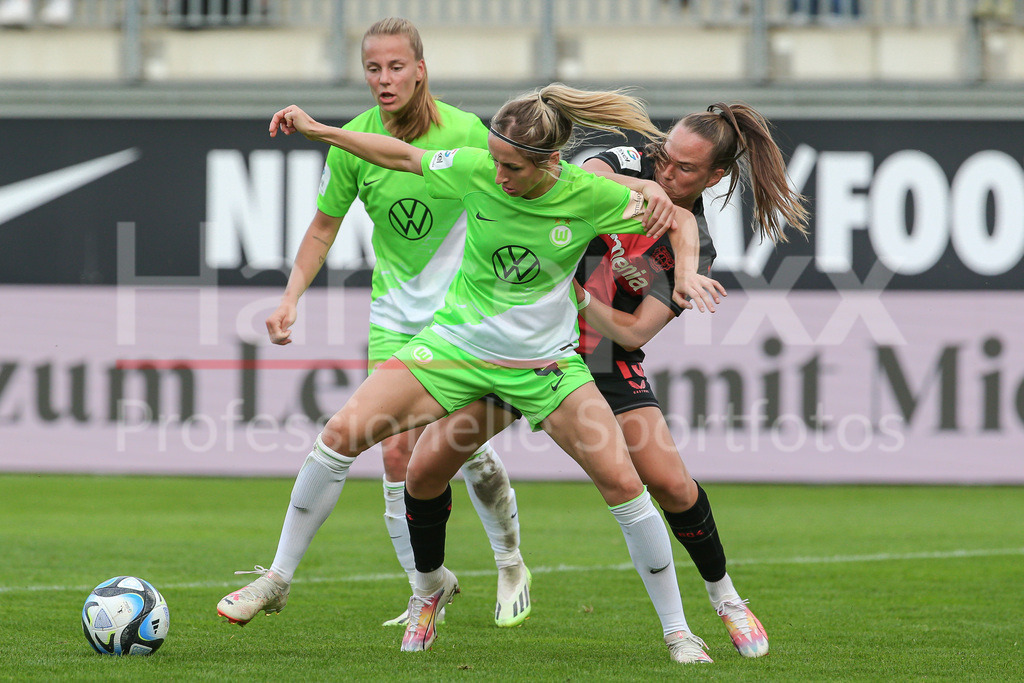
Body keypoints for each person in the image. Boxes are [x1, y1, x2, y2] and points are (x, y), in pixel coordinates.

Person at [261, 83, 732, 664]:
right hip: (475, 350)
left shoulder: (611, 204)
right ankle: (415, 589)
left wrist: (677, 274)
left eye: (511, 165)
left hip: (565, 361)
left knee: (646, 484)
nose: (499, 174)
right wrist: (322, 132)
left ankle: (700, 617)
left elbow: (664, 256)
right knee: (406, 461)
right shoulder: (514, 169)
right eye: (663, 154)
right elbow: (405, 156)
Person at [216, 17, 531, 631]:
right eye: (372, 68)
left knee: (465, 451)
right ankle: (424, 592)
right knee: (394, 453)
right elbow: (323, 227)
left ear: (420, 69)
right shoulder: (354, 142)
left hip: (464, 319)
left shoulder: (468, 134)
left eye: (395, 67)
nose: (383, 80)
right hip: (395, 318)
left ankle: (509, 557)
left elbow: (514, 205)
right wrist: (290, 298)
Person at [573, 102, 810, 659]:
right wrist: (647, 194)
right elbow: (584, 178)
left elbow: (632, 335)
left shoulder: (698, 245)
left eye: (683, 169)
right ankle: (431, 587)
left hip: (604, 357)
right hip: (531, 343)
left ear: (715, 176)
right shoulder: (633, 160)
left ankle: (725, 597)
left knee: (673, 486)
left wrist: (580, 297)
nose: (665, 170)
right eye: (665, 155)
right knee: (431, 453)